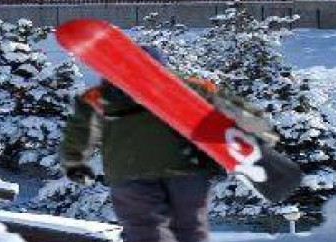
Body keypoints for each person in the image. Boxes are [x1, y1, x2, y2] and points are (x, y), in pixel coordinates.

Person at [60, 46, 223, 242]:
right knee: (189, 229)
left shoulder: (100, 95)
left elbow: (80, 130)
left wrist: (74, 162)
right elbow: (222, 118)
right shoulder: (188, 89)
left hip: (131, 172)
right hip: (186, 170)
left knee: (145, 229)